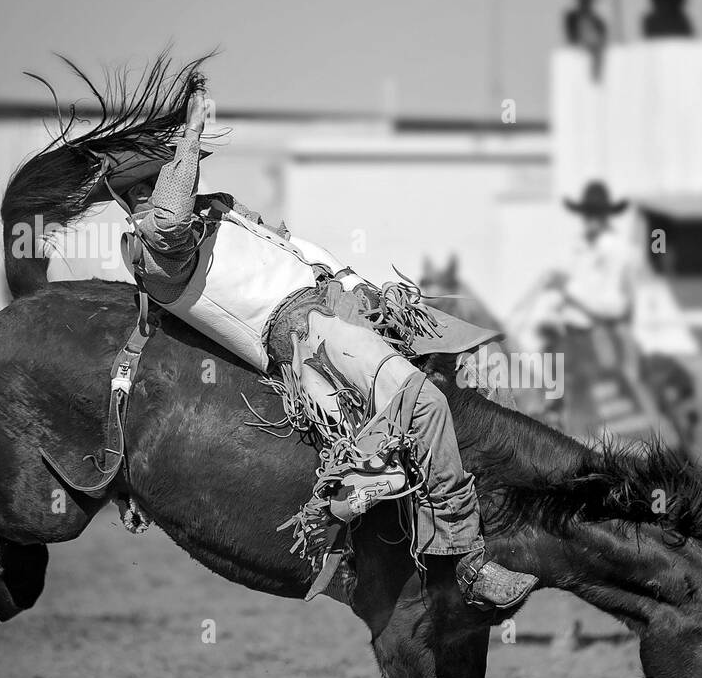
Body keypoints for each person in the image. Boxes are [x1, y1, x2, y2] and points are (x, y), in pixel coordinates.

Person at [112, 84, 537, 610]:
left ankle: (511, 504)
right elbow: (171, 222)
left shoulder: (216, 212)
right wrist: (189, 134)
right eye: (152, 183)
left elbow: (291, 247)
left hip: (348, 299)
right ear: (138, 197)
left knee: (479, 346)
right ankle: (466, 559)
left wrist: (356, 286)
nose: (165, 186)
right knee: (421, 402)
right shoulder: (150, 245)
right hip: (305, 332)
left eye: (164, 175)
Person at [532, 181, 660, 424]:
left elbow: (614, 306)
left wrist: (568, 289)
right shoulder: (575, 249)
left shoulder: (620, 252)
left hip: (600, 335)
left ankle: (595, 433)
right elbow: (559, 295)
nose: (590, 218)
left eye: (596, 213)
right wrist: (550, 313)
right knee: (545, 364)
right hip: (567, 336)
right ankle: (555, 417)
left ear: (605, 216)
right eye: (587, 213)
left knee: (589, 382)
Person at [563, 0, 608, 82]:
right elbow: (571, 37)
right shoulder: (572, 17)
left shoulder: (597, 20)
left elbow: (603, 38)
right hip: (580, 51)